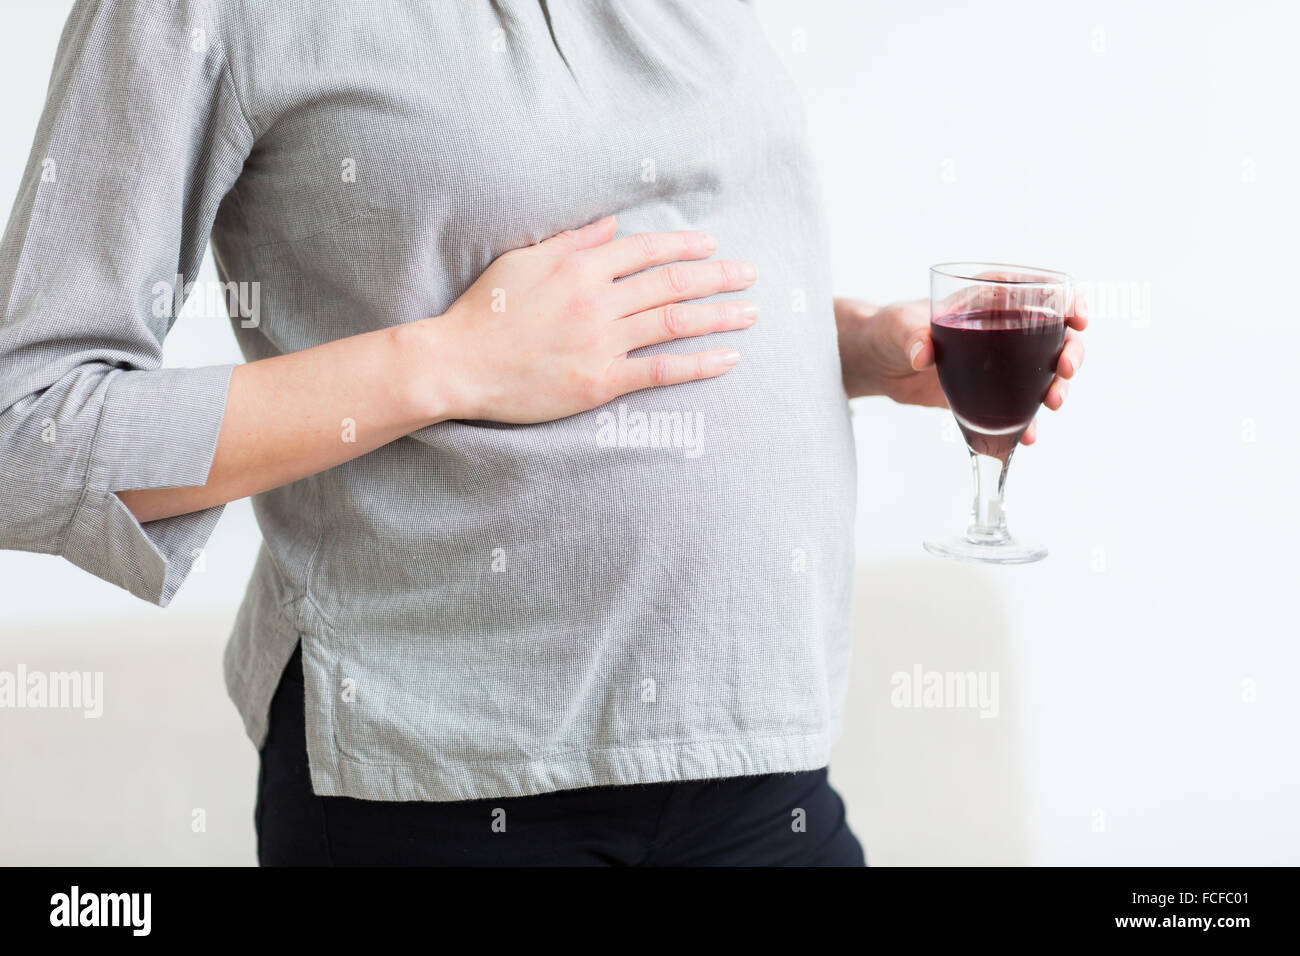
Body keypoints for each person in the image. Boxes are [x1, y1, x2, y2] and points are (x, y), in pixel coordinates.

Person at [0, 0, 1084, 866]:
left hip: (755, 755)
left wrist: (843, 346)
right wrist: (451, 360)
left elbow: (642, 271)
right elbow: (26, 431)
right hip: (440, 791)